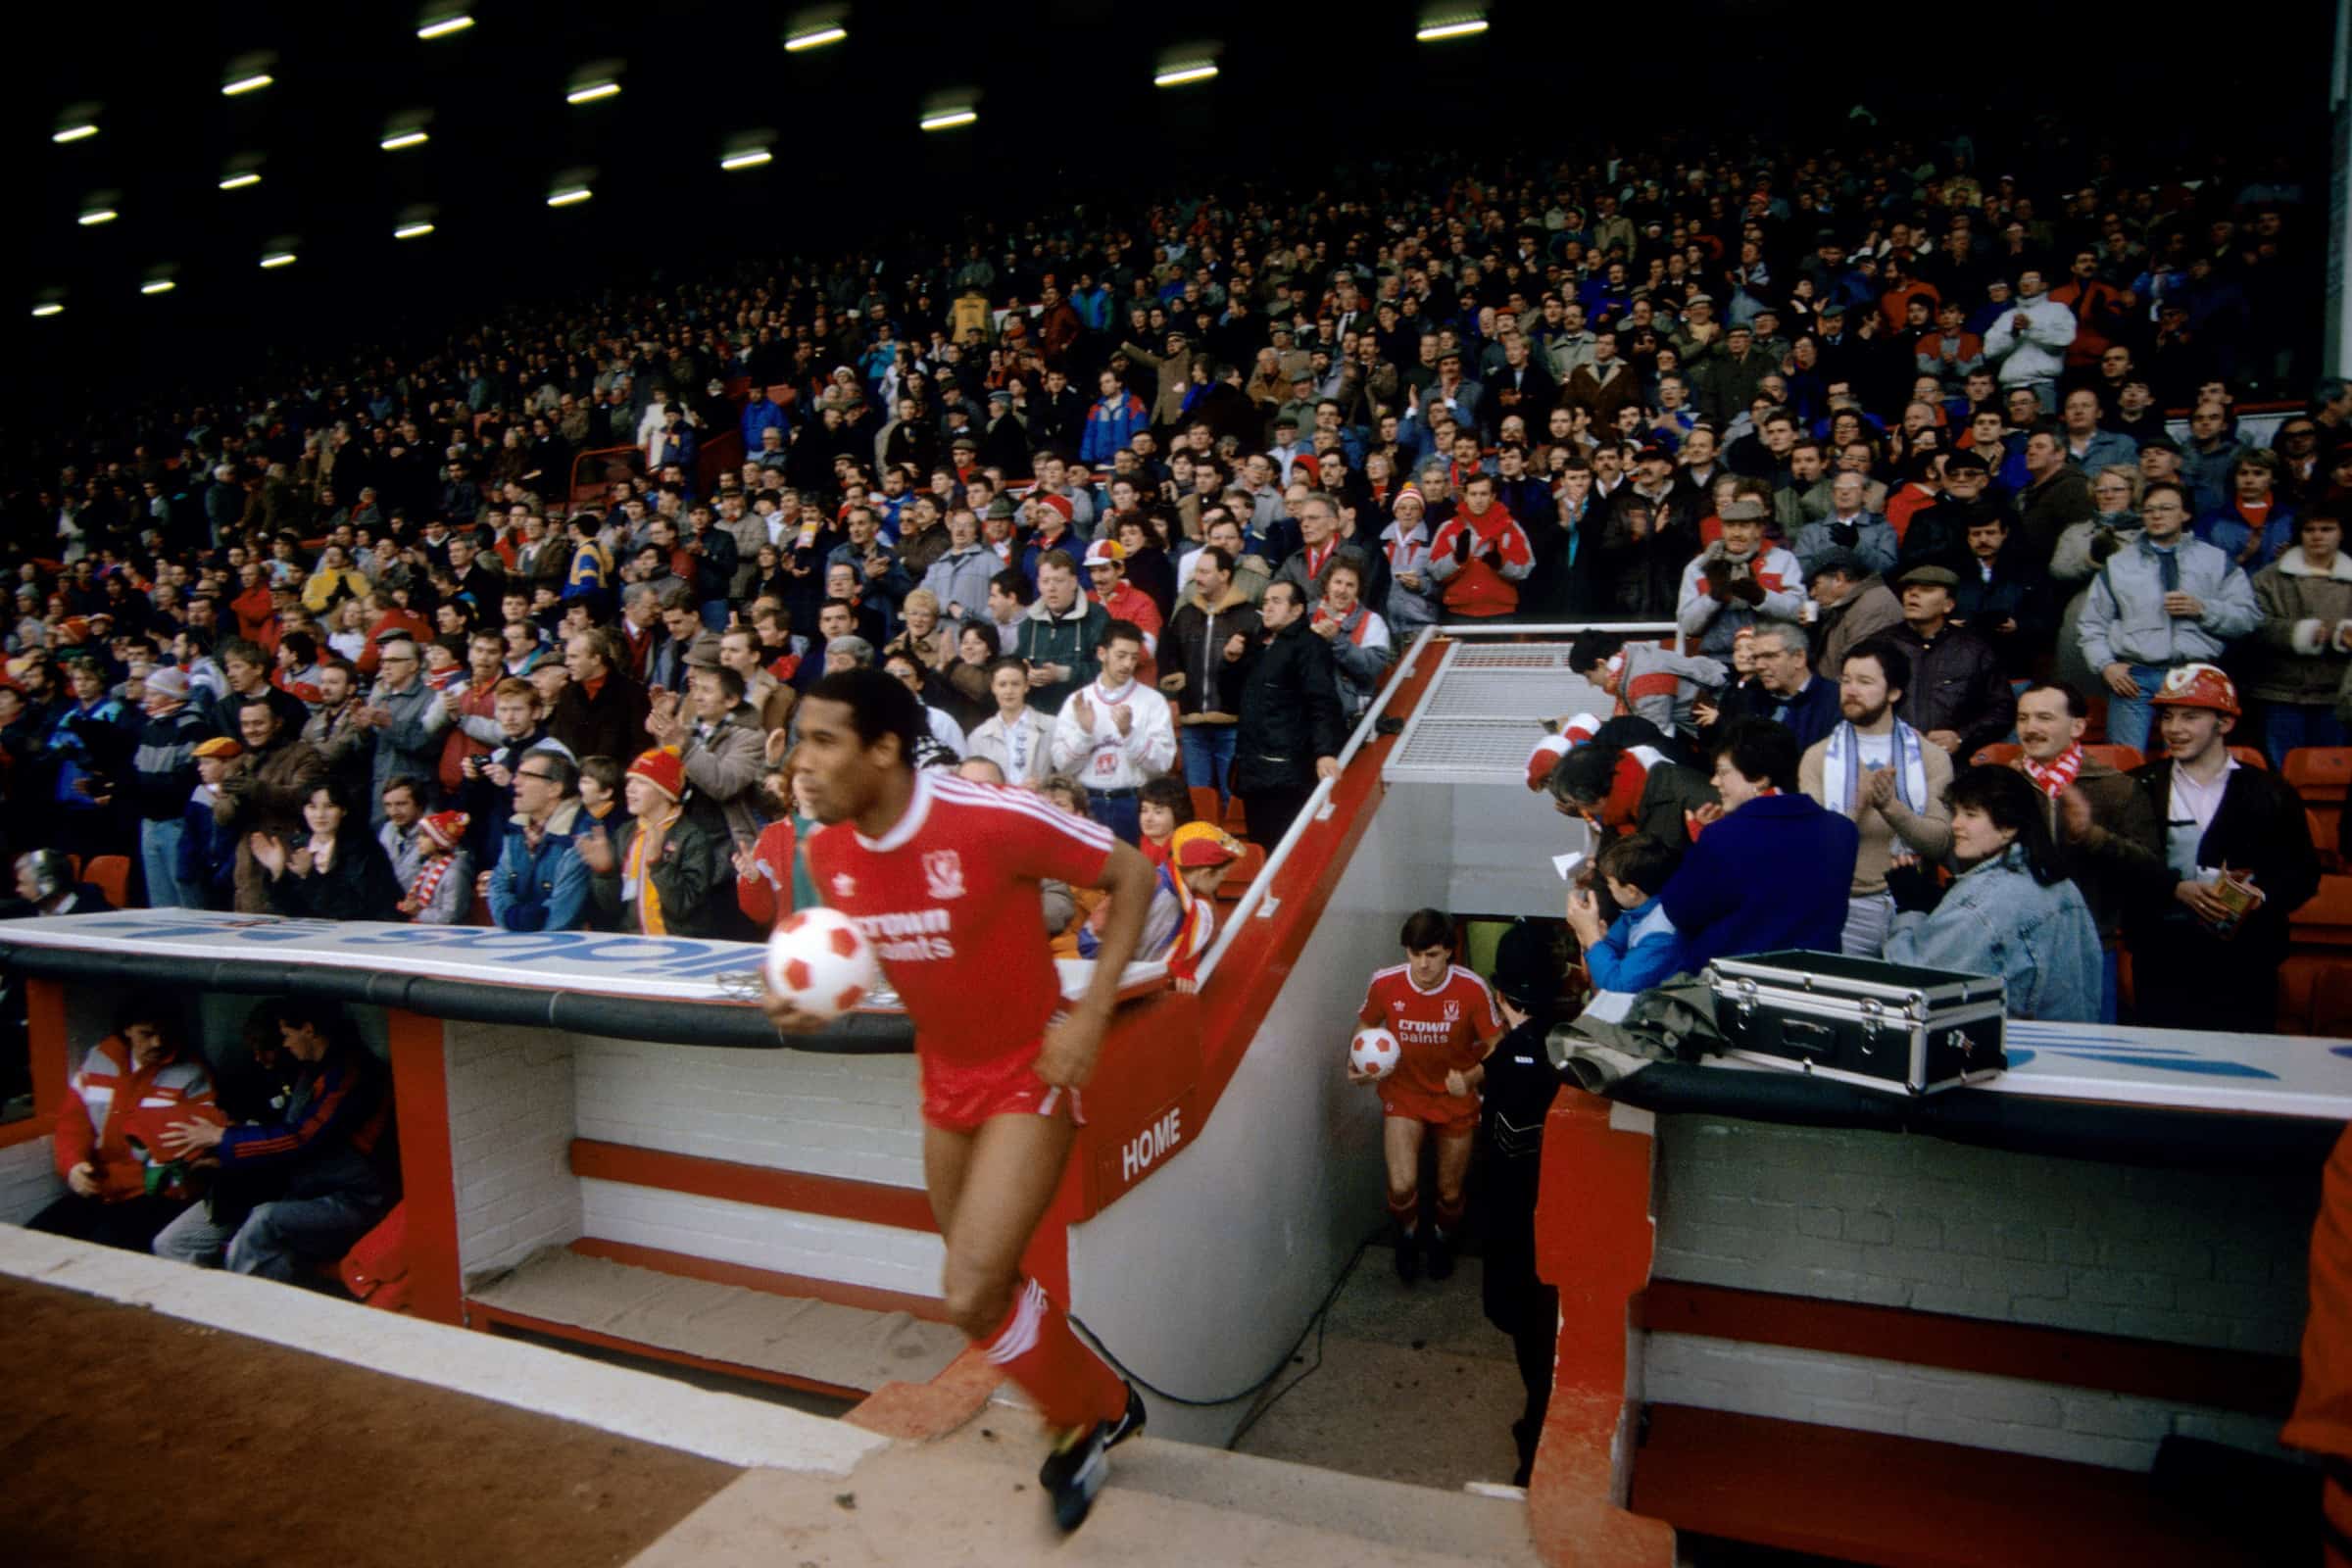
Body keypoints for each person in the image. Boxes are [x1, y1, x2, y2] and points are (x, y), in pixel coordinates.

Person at [763, 667, 1156, 1533]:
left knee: (970, 1294)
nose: (803, 762)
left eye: (824, 741)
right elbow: (885, 957)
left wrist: (1089, 1015)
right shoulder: (823, 852)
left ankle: (1076, 1423)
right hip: (943, 1078)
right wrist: (817, 1002)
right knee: (991, 1288)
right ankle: (1100, 1400)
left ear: (886, 748)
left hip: (1031, 1069)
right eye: (801, 741)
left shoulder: (988, 817)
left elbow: (1133, 876)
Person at [2123, 664, 2319, 1033]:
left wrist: (2260, 896)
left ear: (2225, 723)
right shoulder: (2139, 786)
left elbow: (2303, 872)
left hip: (2246, 966)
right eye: (2168, 717)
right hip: (2161, 962)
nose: (2174, 729)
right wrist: (2171, 889)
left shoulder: (2271, 791)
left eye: (2190, 717)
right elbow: (2120, 867)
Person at [152, 999, 398, 1283]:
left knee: (263, 1223)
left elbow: (302, 1137)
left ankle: (246, 1312)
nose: (285, 1045)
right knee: (175, 1242)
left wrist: (224, 1137)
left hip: (349, 1199)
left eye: (285, 1036)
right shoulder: (307, 1071)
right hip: (283, 1188)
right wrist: (221, 1150)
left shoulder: (351, 1073)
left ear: (308, 1030)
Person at [1351, 908, 1503, 1285]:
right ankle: (1407, 1235)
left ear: (1449, 951)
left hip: (1454, 1098)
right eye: (1414, 954)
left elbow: (1497, 1044)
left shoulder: (1471, 989)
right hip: (1404, 1093)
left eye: (1432, 954)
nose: (1422, 964)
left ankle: (1443, 1236)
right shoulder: (1385, 983)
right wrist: (1357, 1062)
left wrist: (1470, 1078)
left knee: (1450, 1193)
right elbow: (1366, 1024)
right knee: (1403, 1185)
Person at [1885, 765, 2102, 1021]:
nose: (1956, 824)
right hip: (2065, 1048)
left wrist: (1910, 910)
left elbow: (1910, 986)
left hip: (2011, 1049)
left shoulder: (1980, 904)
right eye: (1956, 813)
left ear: (2008, 828)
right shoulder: (2061, 884)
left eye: (1971, 815)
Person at [2011, 682, 2162, 1022]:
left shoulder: (2117, 786)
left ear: (2078, 726)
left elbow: (2151, 871)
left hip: (2090, 948)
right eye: (2023, 718)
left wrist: (2092, 836)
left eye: (2044, 718)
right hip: (2017, 948)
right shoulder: (2003, 785)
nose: (2030, 728)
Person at [1475, 919, 1565, 1488]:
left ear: (1500, 994)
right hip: (1559, 1223)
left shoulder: (1514, 1059)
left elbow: (1506, 1157)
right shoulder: (1568, 1039)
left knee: (1535, 1350)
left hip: (1521, 1230)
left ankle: (1535, 1457)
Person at [2078, 480, 2262, 753]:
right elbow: (2092, 624)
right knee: (2125, 762)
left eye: (2165, 508)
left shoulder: (2215, 560)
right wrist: (2106, 665)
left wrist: (2203, 609)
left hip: (2195, 675)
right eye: (2149, 510)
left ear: (2185, 514)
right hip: (2134, 676)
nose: (2156, 515)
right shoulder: (2119, 564)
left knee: (2189, 763)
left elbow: (2249, 617)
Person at [1659, 719, 1858, 970]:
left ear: (1760, 778)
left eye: (1723, 772)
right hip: (1814, 984)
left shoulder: (1722, 836)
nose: (1714, 782)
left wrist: (1701, 848)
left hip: (1736, 984)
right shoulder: (1843, 831)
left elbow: (1681, 911)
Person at [27, 998, 219, 1252]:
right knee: (35, 1238)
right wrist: (73, 1166)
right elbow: (73, 1122)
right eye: (147, 1034)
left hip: (156, 1195)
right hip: (101, 1187)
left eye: (164, 1033)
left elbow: (190, 1153)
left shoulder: (192, 1074)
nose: (158, 1043)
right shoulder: (99, 1059)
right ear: (127, 1029)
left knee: (104, 1251)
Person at [1801, 642, 1955, 956]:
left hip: (1911, 902)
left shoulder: (1930, 756)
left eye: (1865, 681)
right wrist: (1856, 808)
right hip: (1845, 907)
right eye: (1846, 680)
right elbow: (1812, 848)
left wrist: (1891, 808)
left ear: (1894, 693)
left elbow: (1940, 842)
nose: (1851, 689)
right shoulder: (1817, 757)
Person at [1227, 579, 1346, 849]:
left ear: (1296, 610)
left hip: (1288, 774)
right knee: (1262, 848)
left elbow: (1323, 702)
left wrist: (1325, 751)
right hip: (1253, 771)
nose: (1267, 608)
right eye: (1265, 602)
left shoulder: (1310, 646)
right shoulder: (1256, 645)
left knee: (1288, 850)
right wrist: (1230, 663)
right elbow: (1233, 701)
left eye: (1276, 602)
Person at [1049, 620, 1178, 844]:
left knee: (1132, 875)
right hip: (1088, 801)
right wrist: (1084, 733)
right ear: (1102, 653)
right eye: (1121, 655)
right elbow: (1062, 764)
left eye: (1134, 657)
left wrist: (1130, 733)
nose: (1128, 664)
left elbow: (1163, 764)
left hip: (1133, 801)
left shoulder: (1152, 701)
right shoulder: (1077, 700)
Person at [584, 747, 725, 937]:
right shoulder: (625, 833)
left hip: (679, 947)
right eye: (629, 781)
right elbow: (613, 910)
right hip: (633, 945)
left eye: (641, 782)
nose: (629, 789)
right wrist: (605, 873)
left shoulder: (691, 837)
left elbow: (683, 906)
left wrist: (658, 864)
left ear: (665, 791)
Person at [1882, 564, 2016, 760]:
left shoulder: (1974, 650)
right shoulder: (1880, 646)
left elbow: (2002, 710)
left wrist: (1961, 737)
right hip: (1889, 761)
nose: (1913, 595)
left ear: (1948, 605)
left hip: (1955, 766)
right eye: (1909, 590)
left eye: (1926, 590)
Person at [2250, 510, 2352, 763]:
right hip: (2280, 692)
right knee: (2283, 772)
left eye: (2326, 529)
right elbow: (2254, 624)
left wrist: (2344, 634)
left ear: (2341, 534)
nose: (2317, 536)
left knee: (2328, 774)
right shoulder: (2268, 578)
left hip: (2336, 694)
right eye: (2310, 530)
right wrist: (2299, 633)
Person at [1160, 545, 1258, 808]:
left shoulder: (1249, 616)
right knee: (1197, 799)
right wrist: (1175, 681)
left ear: (1225, 574)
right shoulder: (1185, 614)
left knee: (1234, 799)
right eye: (1196, 572)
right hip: (1193, 723)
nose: (1197, 577)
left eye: (1205, 571)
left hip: (1233, 723)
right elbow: (1169, 657)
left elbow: (1256, 669)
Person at [213, 697, 329, 913]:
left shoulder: (303, 755)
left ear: (277, 723)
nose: (251, 730)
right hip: (247, 863)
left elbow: (305, 799)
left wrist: (257, 789)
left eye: (259, 723)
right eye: (246, 724)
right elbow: (221, 816)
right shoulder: (239, 762)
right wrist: (233, 800)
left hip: (290, 854)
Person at [252, 777, 405, 921]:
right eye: (312, 807)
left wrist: (309, 875)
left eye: (329, 806)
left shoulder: (364, 848)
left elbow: (350, 909)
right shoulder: (297, 845)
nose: (320, 815)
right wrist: (277, 874)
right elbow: (292, 910)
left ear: (343, 810)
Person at [1676, 497, 1804, 658]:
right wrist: (1713, 598)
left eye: (1744, 526)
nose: (1736, 533)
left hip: (1768, 656)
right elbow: (1688, 626)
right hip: (1716, 658)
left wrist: (1762, 597)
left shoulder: (1783, 560)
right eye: (1730, 526)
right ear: (1722, 529)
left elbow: (1800, 612)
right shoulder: (1698, 567)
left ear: (1759, 529)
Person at [1563, 833, 1687, 994]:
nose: (1609, 888)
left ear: (1631, 891)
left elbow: (1619, 987)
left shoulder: (1661, 934)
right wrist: (1592, 939)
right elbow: (1610, 949)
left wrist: (1591, 936)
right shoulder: (1639, 911)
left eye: (1611, 883)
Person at [484, 751, 593, 932]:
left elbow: (562, 914)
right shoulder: (515, 828)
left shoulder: (581, 835)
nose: (515, 781)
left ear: (554, 789)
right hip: (519, 946)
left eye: (526, 776)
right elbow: (497, 886)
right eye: (517, 774)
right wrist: (513, 918)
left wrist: (518, 922)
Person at [129, 666, 211, 907]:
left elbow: (187, 779)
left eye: (153, 694)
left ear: (172, 696)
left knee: (186, 896)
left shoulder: (193, 727)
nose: (147, 700)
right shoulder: (150, 727)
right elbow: (138, 772)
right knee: (159, 899)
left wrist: (148, 792)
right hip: (149, 823)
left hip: (177, 823)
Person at [735, 759, 822, 930]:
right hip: (791, 943)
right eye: (801, 775)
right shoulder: (772, 836)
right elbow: (762, 914)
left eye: (816, 775)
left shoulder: (851, 830)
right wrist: (754, 880)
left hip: (838, 944)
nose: (809, 781)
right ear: (791, 789)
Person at [964, 656, 1056, 790]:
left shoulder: (1051, 726)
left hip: (1039, 804)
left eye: (1015, 684)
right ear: (993, 688)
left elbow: (1065, 772)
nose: (1009, 691)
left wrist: (1043, 787)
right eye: (1002, 684)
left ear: (1026, 686)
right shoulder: (978, 736)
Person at [397, 809, 473, 924]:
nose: (418, 841)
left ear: (440, 841)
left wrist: (419, 912)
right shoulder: (428, 865)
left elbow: (450, 916)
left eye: (424, 836)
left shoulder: (454, 874)